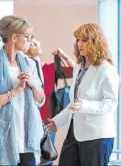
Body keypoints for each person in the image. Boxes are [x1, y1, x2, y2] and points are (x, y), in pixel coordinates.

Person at [46, 23, 119, 166]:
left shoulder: (106, 69)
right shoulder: (79, 67)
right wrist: (57, 121)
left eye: (84, 40)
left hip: (97, 136)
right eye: (78, 40)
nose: (80, 44)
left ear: (95, 42)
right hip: (76, 133)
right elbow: (75, 103)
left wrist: (85, 106)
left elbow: (111, 102)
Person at [0, 15, 45, 166]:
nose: (29, 40)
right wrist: (18, 89)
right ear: (15, 37)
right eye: (27, 36)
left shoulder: (30, 63)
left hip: (28, 135)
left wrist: (32, 84)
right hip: (3, 134)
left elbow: (40, 100)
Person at [24, 36, 75, 166]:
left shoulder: (49, 68)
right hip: (28, 122)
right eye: (31, 42)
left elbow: (76, 71)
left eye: (36, 41)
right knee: (29, 159)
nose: (36, 42)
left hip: (47, 122)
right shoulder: (24, 70)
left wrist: (63, 55)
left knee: (46, 159)